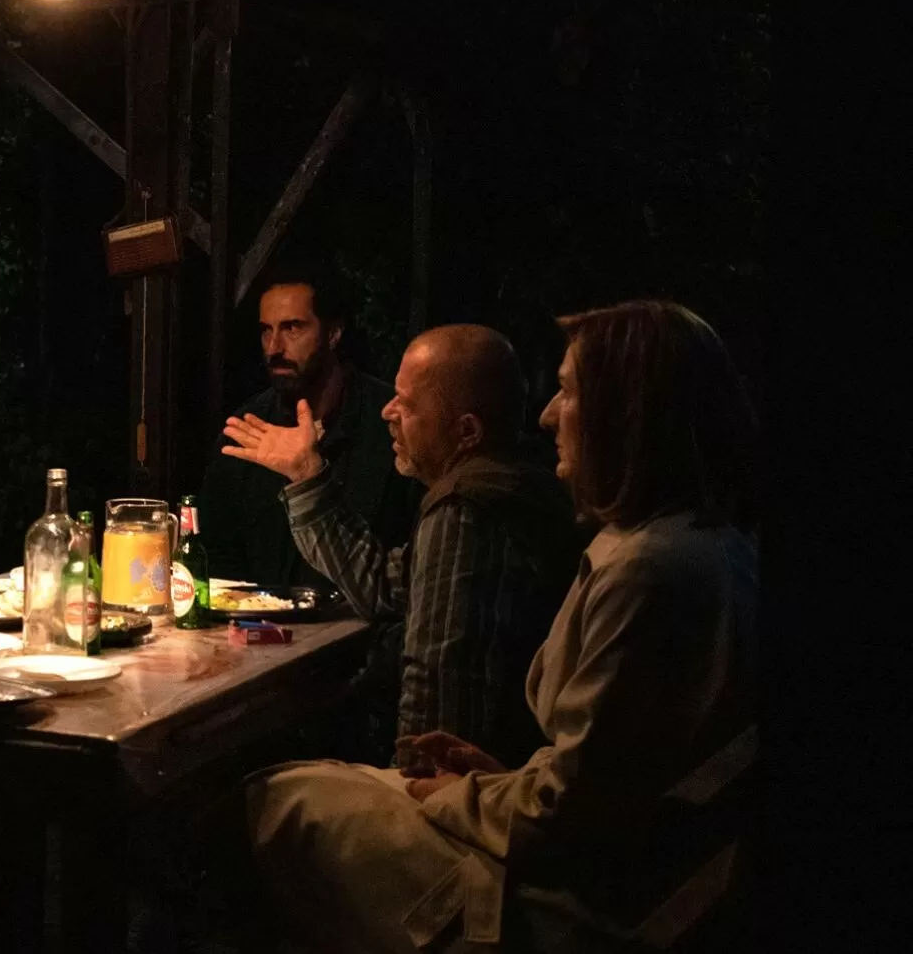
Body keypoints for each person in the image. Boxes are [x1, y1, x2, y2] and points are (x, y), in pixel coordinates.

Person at [242, 301, 758, 952]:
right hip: (574, 843)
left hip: (560, 900)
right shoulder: (706, 545)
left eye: (569, 391)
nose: (546, 415)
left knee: (266, 803)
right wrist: (499, 780)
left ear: (629, 414)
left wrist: (444, 791)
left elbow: (536, 791)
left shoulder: (638, 565)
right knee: (305, 787)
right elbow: (603, 768)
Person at [224, 325, 579, 767]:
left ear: (467, 431)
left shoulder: (465, 509)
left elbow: (437, 696)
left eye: (406, 404)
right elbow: (385, 584)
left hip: (461, 784)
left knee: (257, 786)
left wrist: (407, 784)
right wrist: (306, 474)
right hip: (501, 774)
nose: (386, 411)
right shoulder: (521, 478)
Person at [201, 264, 421, 588]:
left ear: (333, 334)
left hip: (364, 616)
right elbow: (217, 555)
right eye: (266, 330)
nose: (274, 348)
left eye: (292, 328)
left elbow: (415, 564)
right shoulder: (247, 429)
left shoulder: (390, 424)